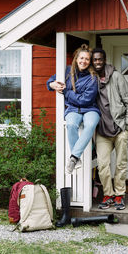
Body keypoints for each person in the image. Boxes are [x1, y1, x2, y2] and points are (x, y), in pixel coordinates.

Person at [92, 48, 128, 210]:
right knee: (103, 165)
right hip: (102, 131)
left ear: (104, 60)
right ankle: (108, 195)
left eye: (100, 59)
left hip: (119, 129)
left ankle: (119, 195)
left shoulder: (116, 77)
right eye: (95, 60)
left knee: (120, 164)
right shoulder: (91, 79)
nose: (97, 62)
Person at [47, 44, 100, 174]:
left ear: (90, 61)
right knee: (70, 124)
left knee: (91, 124)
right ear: (76, 58)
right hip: (72, 109)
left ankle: (74, 157)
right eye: (81, 58)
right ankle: (77, 159)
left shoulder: (93, 77)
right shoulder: (67, 71)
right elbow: (51, 82)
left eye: (87, 59)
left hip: (90, 109)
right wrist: (52, 84)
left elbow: (85, 100)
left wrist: (66, 92)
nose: (84, 61)